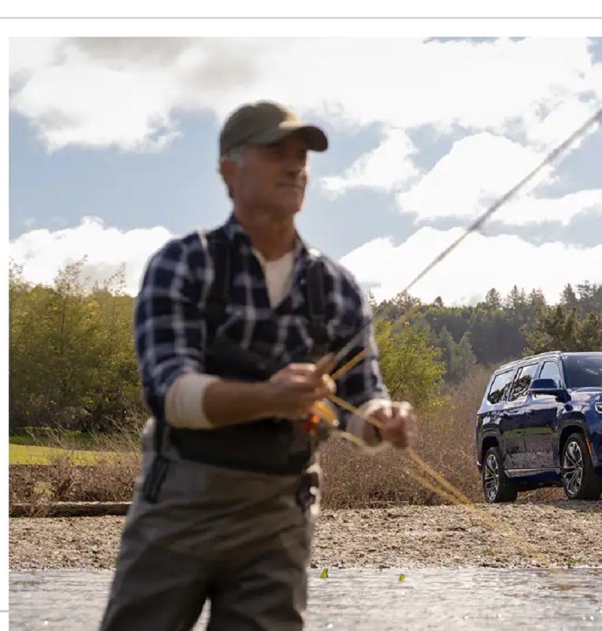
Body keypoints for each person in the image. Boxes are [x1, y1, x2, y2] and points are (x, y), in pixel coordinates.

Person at [100, 100, 417, 630]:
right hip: (179, 502)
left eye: (302, 157)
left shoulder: (338, 288)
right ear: (229, 169)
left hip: (281, 516)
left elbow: (360, 404)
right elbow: (169, 394)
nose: (295, 167)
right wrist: (270, 397)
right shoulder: (182, 264)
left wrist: (385, 421)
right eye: (276, 153)